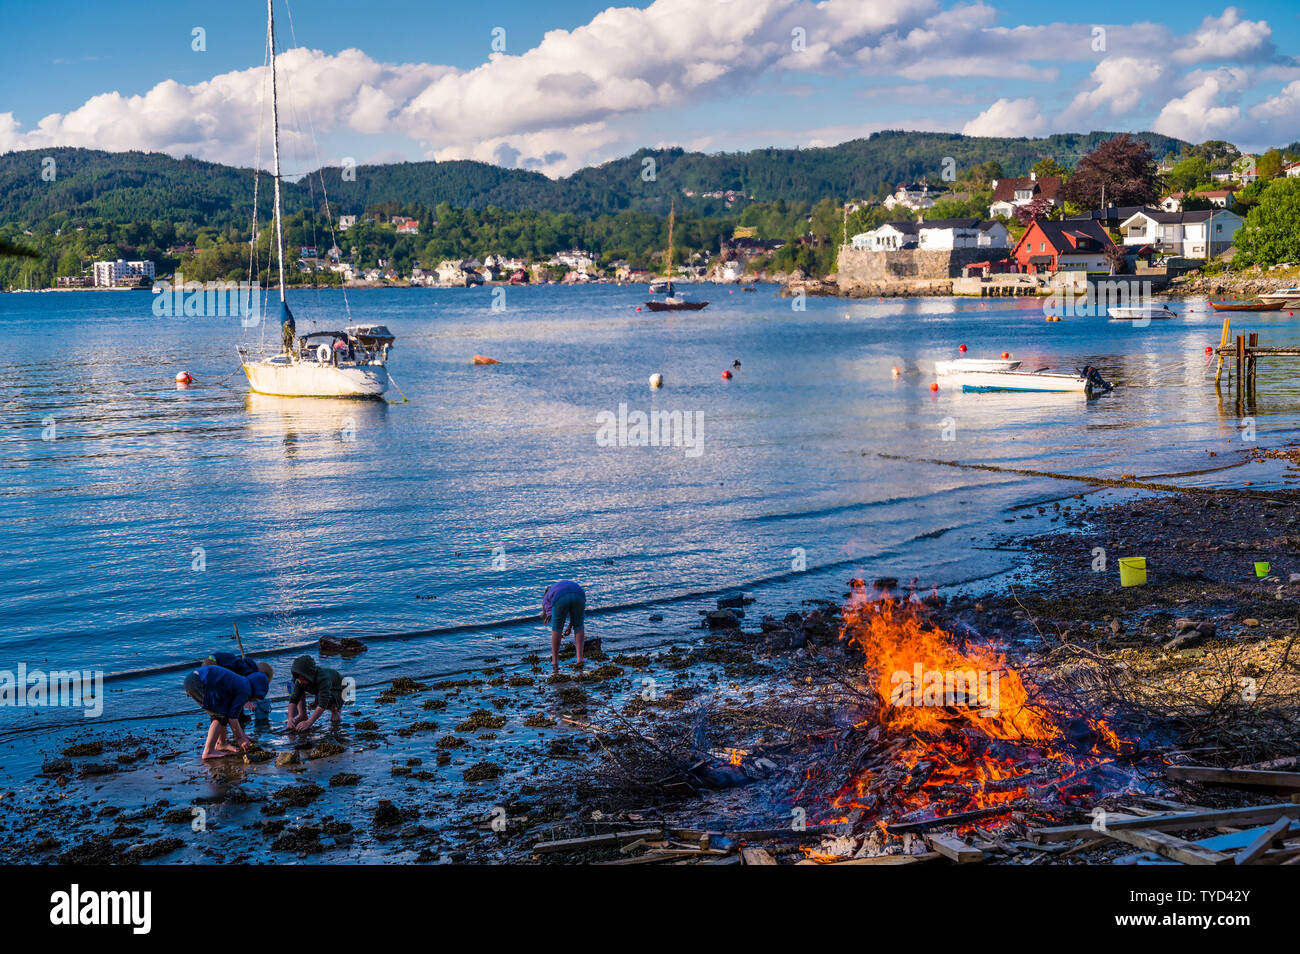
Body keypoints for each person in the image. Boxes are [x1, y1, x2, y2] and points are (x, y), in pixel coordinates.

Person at [183, 665, 269, 760]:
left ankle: (222, 743)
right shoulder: (245, 690)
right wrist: (240, 738)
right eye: (258, 697)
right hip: (200, 682)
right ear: (257, 690)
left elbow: (229, 712)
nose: (255, 700)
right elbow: (233, 717)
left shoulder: (242, 682)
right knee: (219, 716)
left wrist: (242, 735)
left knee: (222, 712)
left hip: (195, 678)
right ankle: (208, 751)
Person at [202, 652, 274, 725]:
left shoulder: (245, 665)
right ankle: (233, 718)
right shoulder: (248, 671)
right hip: (213, 664)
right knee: (225, 700)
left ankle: (227, 718)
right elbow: (241, 691)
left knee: (223, 698)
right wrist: (246, 701)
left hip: (210, 662)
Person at [286, 655, 346, 732]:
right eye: (298, 679)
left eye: (303, 679)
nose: (300, 681)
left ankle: (335, 710)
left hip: (338, 689)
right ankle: (302, 714)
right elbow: (293, 699)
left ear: (310, 675)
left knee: (322, 700)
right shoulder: (299, 680)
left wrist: (309, 722)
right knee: (298, 690)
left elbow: (322, 704)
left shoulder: (323, 679)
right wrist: (290, 718)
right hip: (318, 687)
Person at [542, 580, 587, 674]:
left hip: (561, 597)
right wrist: (570, 627)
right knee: (579, 626)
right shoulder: (557, 586)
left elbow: (551, 615)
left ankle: (555, 661)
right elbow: (574, 616)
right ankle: (580, 659)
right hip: (579, 594)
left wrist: (558, 633)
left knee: (556, 629)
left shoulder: (546, 596)